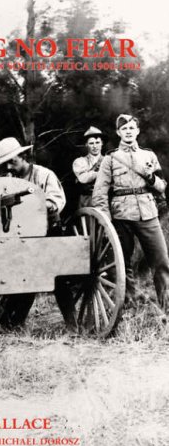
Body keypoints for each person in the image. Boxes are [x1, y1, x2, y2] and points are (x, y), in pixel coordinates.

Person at [0, 137, 77, 331]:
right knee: (21, 277)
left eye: (14, 161)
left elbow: (57, 202)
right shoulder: (8, 181)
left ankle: (73, 326)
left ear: (23, 156)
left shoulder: (44, 175)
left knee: (59, 278)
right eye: (6, 163)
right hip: (21, 237)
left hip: (49, 232)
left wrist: (36, 204)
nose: (10, 166)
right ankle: (4, 323)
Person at [92, 114, 169, 311]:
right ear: (118, 132)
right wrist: (106, 221)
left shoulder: (149, 155)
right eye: (124, 129)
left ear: (138, 131)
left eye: (132, 128)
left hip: (147, 212)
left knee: (161, 260)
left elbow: (161, 187)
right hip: (121, 215)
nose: (128, 132)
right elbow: (100, 192)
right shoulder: (110, 158)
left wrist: (151, 178)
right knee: (122, 263)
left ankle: (167, 305)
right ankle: (129, 304)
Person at [72, 126, 105, 208]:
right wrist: (102, 173)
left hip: (105, 200)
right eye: (91, 143)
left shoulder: (109, 161)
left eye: (97, 142)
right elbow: (83, 178)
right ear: (86, 144)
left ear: (102, 143)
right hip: (87, 200)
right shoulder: (79, 162)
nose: (95, 146)